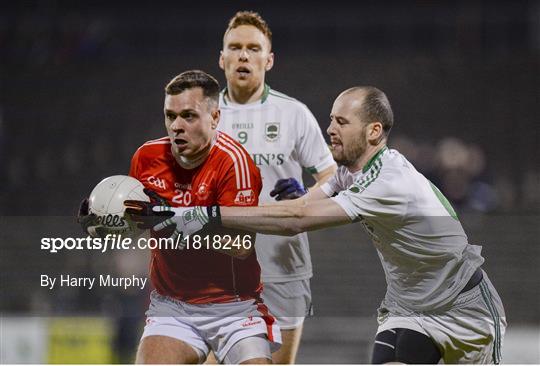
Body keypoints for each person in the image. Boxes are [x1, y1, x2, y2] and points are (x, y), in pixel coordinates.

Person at [139, 86, 507, 364]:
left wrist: (209, 213)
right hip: (409, 310)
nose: (329, 128)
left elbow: (296, 221)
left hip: (466, 311)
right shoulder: (350, 171)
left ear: (374, 132)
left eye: (341, 122)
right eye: (331, 119)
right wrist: (187, 211)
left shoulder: (388, 181)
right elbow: (299, 206)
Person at [80, 70, 280, 364]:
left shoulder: (234, 163)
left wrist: (176, 220)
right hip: (173, 306)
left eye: (188, 116)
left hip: (232, 306)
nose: (176, 126)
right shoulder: (147, 158)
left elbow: (240, 245)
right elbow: (140, 221)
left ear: (214, 117)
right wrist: (107, 220)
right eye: (170, 116)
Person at [216, 11, 337, 364]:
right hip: (216, 266)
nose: (243, 55)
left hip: (283, 265)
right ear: (222, 58)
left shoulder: (293, 114)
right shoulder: (202, 117)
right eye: (235, 47)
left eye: (253, 48)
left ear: (268, 59)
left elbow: (332, 178)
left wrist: (306, 198)